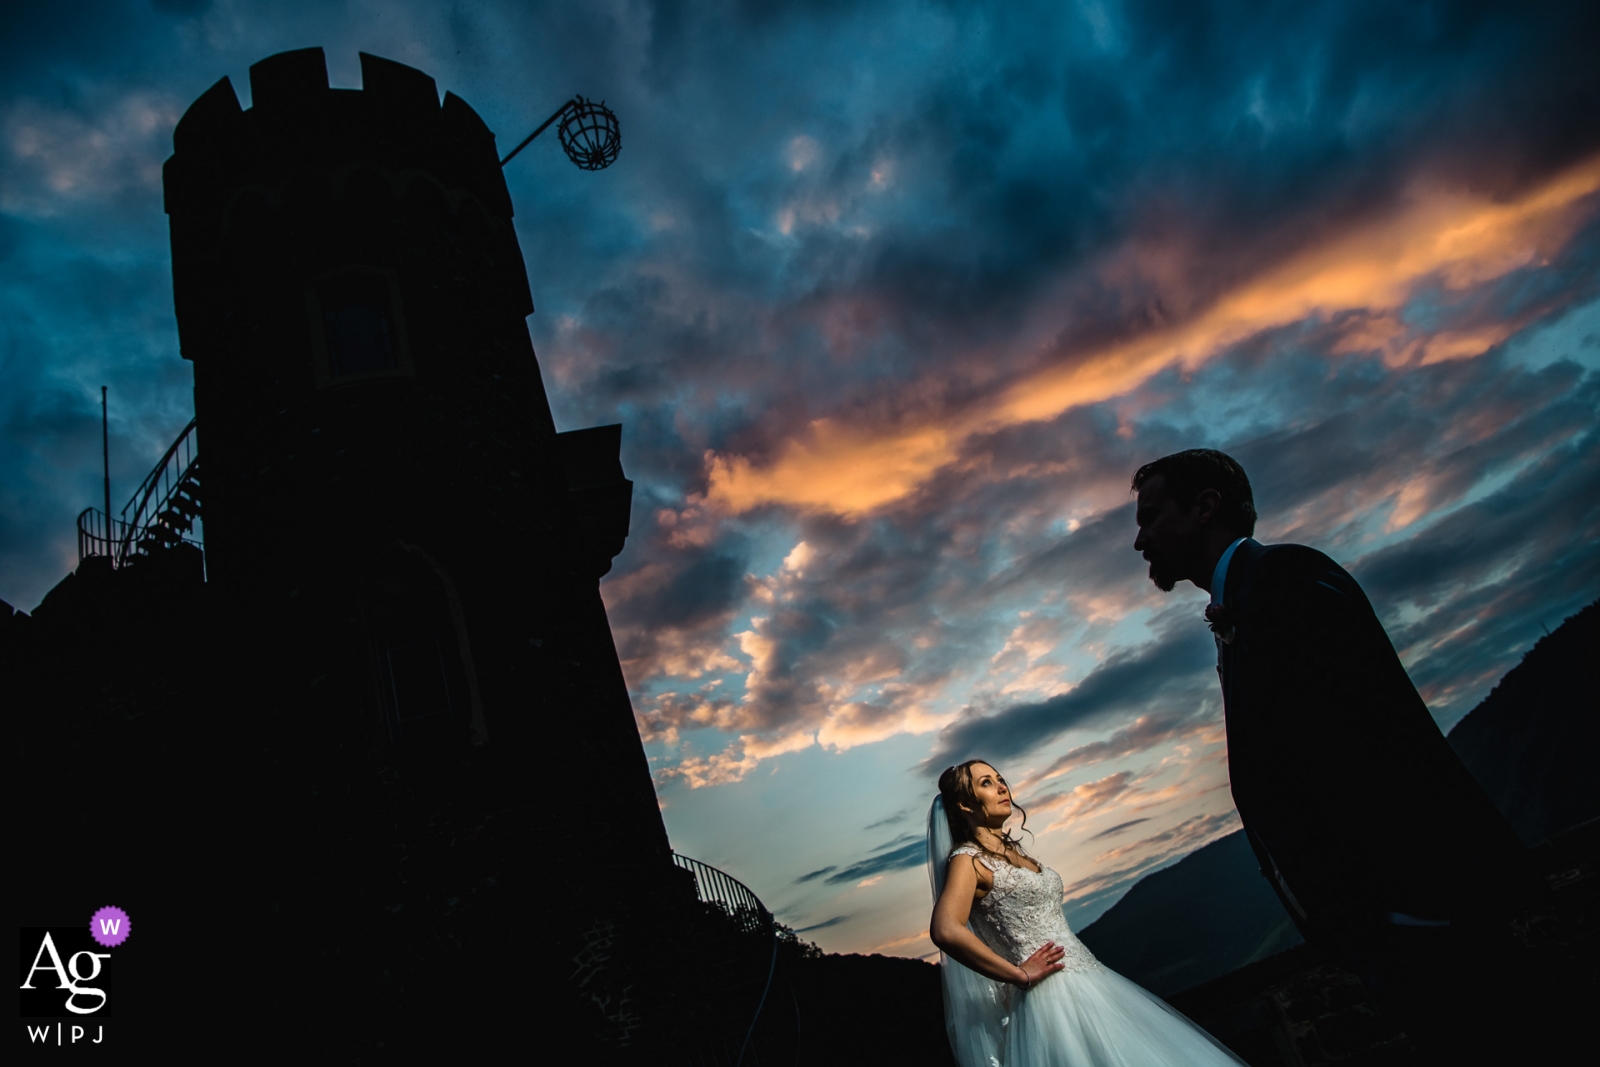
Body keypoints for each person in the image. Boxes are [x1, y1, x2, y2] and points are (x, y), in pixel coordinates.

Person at [1129, 448, 1530, 1062]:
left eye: (1151, 517)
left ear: (1205, 507)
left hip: (1427, 915)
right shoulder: (1245, 601)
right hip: (1392, 930)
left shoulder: (1286, 579)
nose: (1141, 540)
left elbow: (1370, 743)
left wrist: (1403, 916)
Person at [928, 760, 1247, 1067]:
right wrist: (1019, 974)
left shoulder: (1015, 852)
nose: (1001, 786)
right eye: (986, 783)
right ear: (965, 805)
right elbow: (945, 930)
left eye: (1000, 779)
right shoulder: (968, 860)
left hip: (1092, 980)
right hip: (1052, 999)